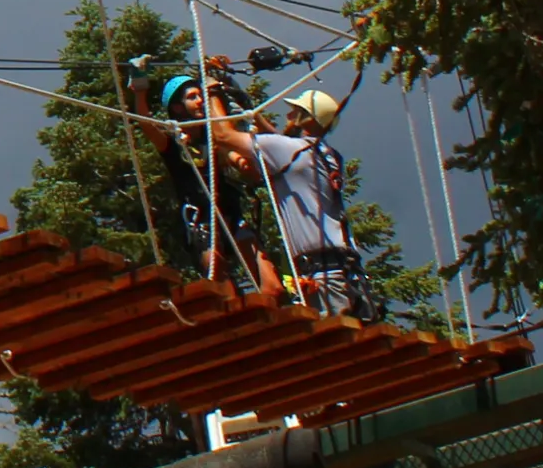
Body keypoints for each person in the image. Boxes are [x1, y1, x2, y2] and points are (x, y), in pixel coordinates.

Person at [210, 89, 375, 319]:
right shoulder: (324, 154)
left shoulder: (292, 152)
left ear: (305, 118)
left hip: (324, 276)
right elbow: (284, 143)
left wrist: (212, 93)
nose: (288, 116)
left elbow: (221, 136)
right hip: (339, 273)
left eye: (293, 112)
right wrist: (251, 112)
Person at [127, 64, 279, 291]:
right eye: (193, 97)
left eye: (201, 95)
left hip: (233, 215)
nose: (200, 101)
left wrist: (242, 162)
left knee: (273, 287)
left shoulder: (216, 138)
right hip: (203, 221)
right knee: (218, 277)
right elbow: (145, 123)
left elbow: (235, 155)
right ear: (178, 108)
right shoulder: (173, 145)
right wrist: (140, 90)